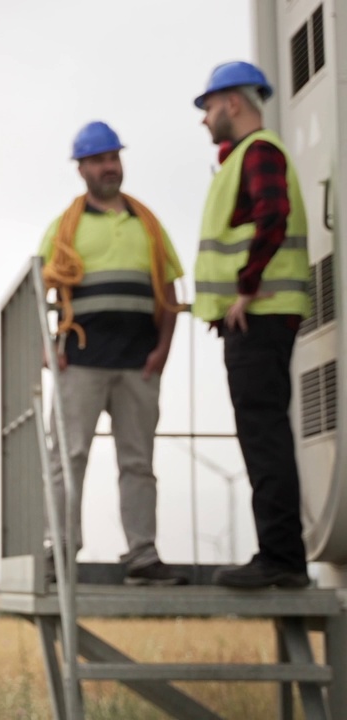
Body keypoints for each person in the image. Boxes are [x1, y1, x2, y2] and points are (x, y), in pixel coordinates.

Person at [39, 121, 188, 586]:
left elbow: (169, 291)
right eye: (100, 160)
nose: (109, 166)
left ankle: (143, 556)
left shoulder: (149, 225)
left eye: (114, 157)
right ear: (82, 168)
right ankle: (61, 552)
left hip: (138, 363)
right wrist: (49, 351)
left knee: (138, 462)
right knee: (68, 458)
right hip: (79, 363)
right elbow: (37, 291)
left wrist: (163, 350)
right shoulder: (64, 228)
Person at [193, 62, 313, 589]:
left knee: (263, 436)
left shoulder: (258, 151)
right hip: (257, 320)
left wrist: (245, 286)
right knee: (263, 434)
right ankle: (281, 555)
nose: (205, 120)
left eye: (209, 107)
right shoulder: (244, 157)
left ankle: (281, 558)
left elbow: (274, 216)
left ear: (232, 103)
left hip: (259, 318)